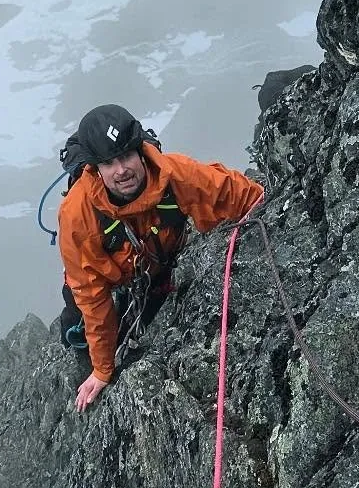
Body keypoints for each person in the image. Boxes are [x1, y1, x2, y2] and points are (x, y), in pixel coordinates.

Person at [56, 103, 263, 413]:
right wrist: (101, 369)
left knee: (141, 326)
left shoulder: (174, 174)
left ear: (141, 151)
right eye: (109, 162)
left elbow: (237, 194)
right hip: (112, 274)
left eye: (126, 155)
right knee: (77, 322)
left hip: (157, 266)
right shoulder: (78, 216)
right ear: (94, 169)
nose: (121, 170)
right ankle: (85, 357)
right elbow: (91, 293)